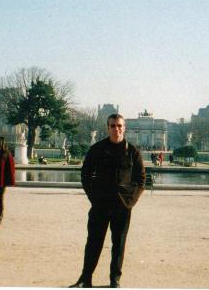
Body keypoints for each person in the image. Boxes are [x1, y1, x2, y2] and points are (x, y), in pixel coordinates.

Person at [70, 114, 145, 289]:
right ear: (107, 127)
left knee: (118, 244)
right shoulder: (97, 149)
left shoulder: (133, 152)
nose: (116, 129)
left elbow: (141, 180)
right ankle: (85, 277)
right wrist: (93, 197)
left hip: (122, 205)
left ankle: (114, 279)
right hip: (100, 204)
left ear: (124, 128)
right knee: (93, 242)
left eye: (119, 126)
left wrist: (130, 201)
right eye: (113, 126)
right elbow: (85, 174)